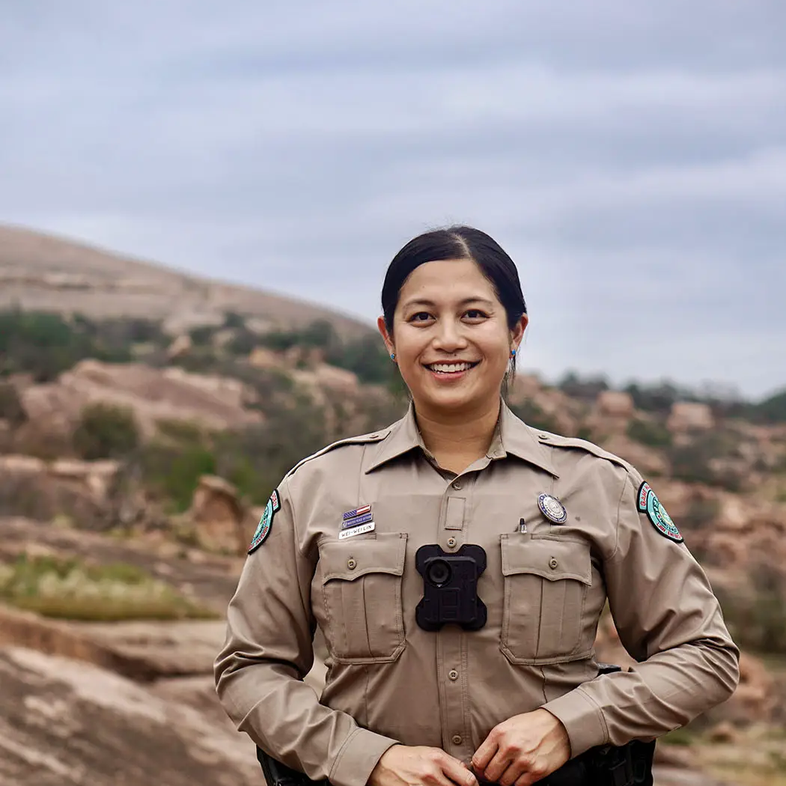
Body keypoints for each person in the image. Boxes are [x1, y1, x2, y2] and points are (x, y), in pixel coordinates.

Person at [214, 226, 739, 786]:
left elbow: (703, 654)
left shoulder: (597, 485)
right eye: (421, 318)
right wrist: (365, 759)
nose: (447, 339)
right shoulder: (316, 490)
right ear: (388, 337)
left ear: (516, 331)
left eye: (473, 315)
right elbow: (249, 669)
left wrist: (569, 723)